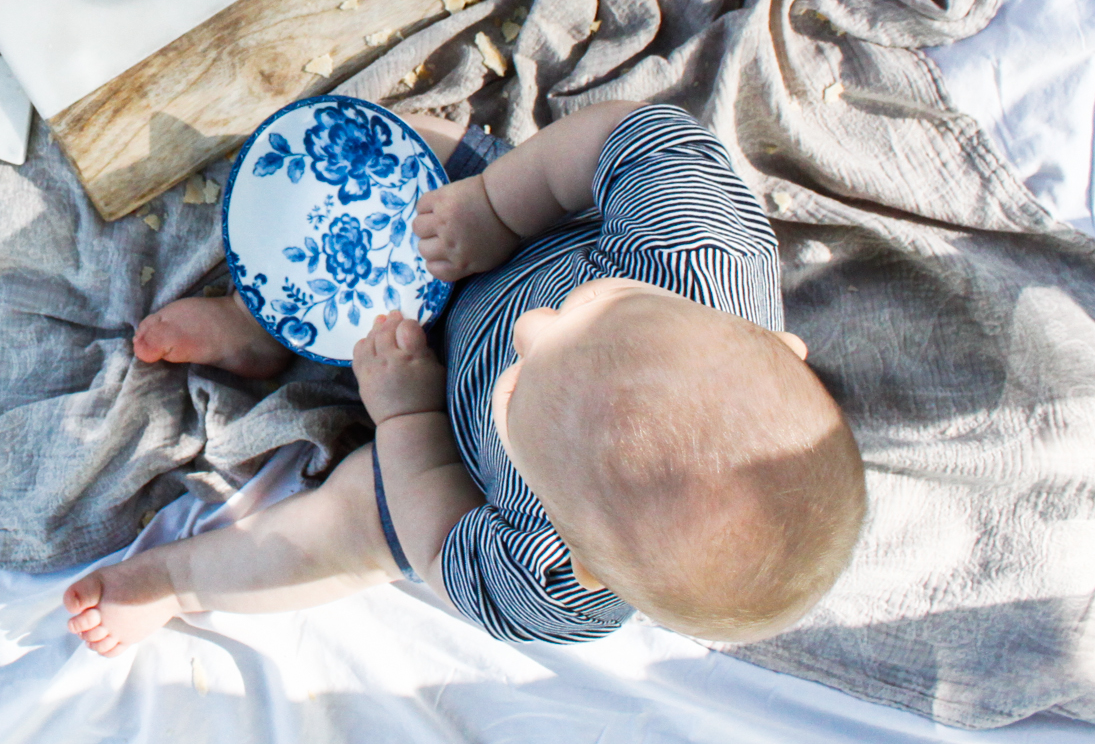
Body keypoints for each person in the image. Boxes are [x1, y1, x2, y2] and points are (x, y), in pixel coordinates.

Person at [73, 103, 864, 654]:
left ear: (583, 558)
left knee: (348, 535)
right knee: (402, 158)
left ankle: (177, 581)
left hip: (444, 446)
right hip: (500, 238)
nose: (534, 325)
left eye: (522, 385)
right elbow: (630, 137)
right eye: (597, 305)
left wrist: (408, 419)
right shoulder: (704, 247)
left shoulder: (554, 586)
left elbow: (443, 538)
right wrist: (493, 205)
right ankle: (269, 324)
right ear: (779, 346)